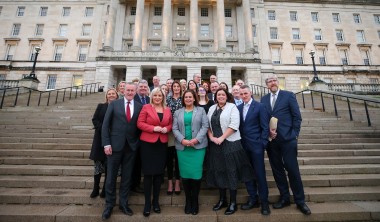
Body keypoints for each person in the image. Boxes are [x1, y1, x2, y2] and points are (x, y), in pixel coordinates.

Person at [261, 75, 311, 215]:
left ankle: (300, 201)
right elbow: (264, 119)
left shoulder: (288, 95)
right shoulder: (264, 99)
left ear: (278, 82)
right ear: (267, 85)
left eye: (274, 80)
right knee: (277, 171)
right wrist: (268, 134)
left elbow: (297, 116)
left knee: (293, 169)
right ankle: (284, 197)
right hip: (272, 142)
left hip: (288, 139)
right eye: (269, 81)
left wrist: (294, 134)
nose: (272, 83)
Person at [207, 88, 254, 215]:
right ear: (215, 97)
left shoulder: (232, 107)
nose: (221, 96)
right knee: (219, 171)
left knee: (231, 171)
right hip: (216, 145)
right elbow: (207, 125)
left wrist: (222, 138)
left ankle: (233, 202)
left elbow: (234, 125)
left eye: (223, 94)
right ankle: (223, 200)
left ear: (227, 96)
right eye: (218, 95)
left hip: (230, 143)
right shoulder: (212, 108)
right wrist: (212, 138)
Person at [101, 82, 143, 220]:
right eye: (128, 90)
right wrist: (106, 143)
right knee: (111, 177)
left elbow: (139, 127)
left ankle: (123, 203)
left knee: (127, 177)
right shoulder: (114, 104)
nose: (130, 92)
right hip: (114, 146)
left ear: (136, 92)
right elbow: (105, 125)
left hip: (130, 148)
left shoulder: (139, 106)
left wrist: (136, 143)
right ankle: (109, 205)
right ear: (123, 91)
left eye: (132, 90)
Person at [137, 87, 173, 217]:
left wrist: (166, 129)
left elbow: (170, 124)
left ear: (163, 97)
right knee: (148, 174)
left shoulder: (167, 109)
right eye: (155, 95)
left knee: (158, 174)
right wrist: (154, 128)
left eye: (160, 95)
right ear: (152, 96)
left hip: (161, 144)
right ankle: (147, 204)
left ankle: (156, 202)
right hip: (147, 144)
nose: (158, 97)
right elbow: (140, 123)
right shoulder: (146, 107)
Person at [172, 90, 209, 215]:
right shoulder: (177, 112)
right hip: (183, 148)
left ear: (194, 98)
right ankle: (188, 201)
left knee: (196, 174)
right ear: (183, 99)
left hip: (197, 147)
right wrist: (182, 140)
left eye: (190, 97)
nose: (188, 99)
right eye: (186, 97)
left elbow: (205, 126)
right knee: (185, 175)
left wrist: (196, 139)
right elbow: (174, 128)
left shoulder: (201, 110)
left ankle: (195, 201)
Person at [238, 85, 271, 215]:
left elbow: (265, 127)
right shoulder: (238, 107)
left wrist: (262, 144)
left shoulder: (260, 106)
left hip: (256, 146)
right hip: (243, 147)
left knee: (260, 174)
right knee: (247, 174)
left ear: (250, 93)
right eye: (241, 94)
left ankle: (264, 203)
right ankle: (253, 199)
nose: (244, 96)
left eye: (245, 93)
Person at [89, 88, 118, 199]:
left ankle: (105, 189)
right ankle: (96, 188)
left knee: (108, 166)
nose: (111, 95)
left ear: (117, 95)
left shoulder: (118, 106)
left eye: (113, 94)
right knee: (98, 166)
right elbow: (95, 119)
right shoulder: (101, 106)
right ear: (106, 96)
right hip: (99, 138)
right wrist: (103, 128)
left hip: (113, 139)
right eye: (109, 94)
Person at [131, 79, 150, 194]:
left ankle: (140, 183)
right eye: (141, 87)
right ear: (137, 88)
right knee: (135, 162)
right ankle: (133, 184)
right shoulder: (132, 99)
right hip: (134, 135)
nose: (143, 89)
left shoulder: (149, 100)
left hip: (147, 135)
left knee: (143, 161)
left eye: (145, 87)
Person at [166, 81, 183, 196]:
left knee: (178, 158)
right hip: (169, 132)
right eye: (174, 86)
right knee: (169, 157)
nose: (176, 88)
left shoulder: (184, 98)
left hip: (181, 132)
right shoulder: (167, 99)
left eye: (178, 86)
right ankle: (169, 183)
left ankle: (177, 182)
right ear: (172, 88)